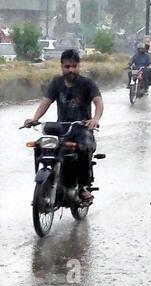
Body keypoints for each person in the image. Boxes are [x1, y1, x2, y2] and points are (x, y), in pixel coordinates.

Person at [24, 49, 104, 202]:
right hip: (62, 128)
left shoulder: (87, 83)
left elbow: (98, 102)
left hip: (82, 128)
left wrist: (95, 118)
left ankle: (82, 187)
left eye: (74, 66)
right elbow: (46, 102)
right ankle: (48, 178)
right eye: (67, 66)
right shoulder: (56, 83)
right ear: (61, 66)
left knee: (84, 147)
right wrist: (34, 119)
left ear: (79, 66)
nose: (71, 70)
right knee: (40, 145)